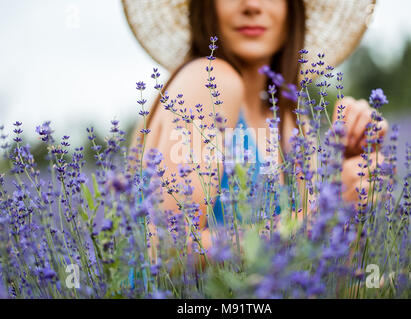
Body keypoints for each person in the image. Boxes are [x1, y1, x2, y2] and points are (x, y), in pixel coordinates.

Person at [123, 0, 387, 251]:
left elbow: (324, 276)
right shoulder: (209, 80)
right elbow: (168, 249)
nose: (252, 5)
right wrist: (322, 212)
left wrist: (350, 164)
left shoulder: (292, 119)